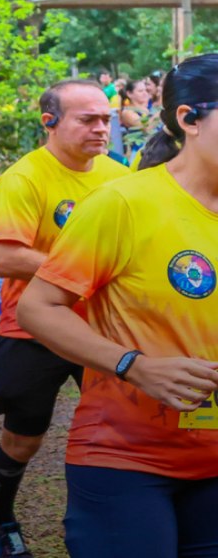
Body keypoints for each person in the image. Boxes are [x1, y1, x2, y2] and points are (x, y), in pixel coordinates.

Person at [17, 53, 218, 558]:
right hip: (126, 457)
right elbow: (38, 307)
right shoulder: (123, 204)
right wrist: (134, 365)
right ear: (189, 119)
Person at [0, 79, 129, 557]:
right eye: (87, 119)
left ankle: (107, 522)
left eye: (105, 119)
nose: (101, 128)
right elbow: (7, 257)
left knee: (116, 431)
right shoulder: (23, 178)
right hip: (33, 329)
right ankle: (1, 518)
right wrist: (83, 270)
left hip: (101, 329)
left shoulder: (119, 175)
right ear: (49, 122)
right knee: (24, 438)